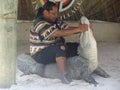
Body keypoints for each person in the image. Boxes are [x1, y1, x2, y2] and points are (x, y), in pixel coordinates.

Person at [30, 1, 88, 84]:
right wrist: (79, 29)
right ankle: (64, 76)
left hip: (54, 48)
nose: (56, 15)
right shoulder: (39, 23)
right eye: (53, 13)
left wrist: (82, 28)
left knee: (78, 47)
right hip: (40, 54)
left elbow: (66, 29)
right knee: (60, 48)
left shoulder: (55, 22)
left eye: (56, 13)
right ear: (46, 12)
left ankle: (86, 68)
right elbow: (57, 33)